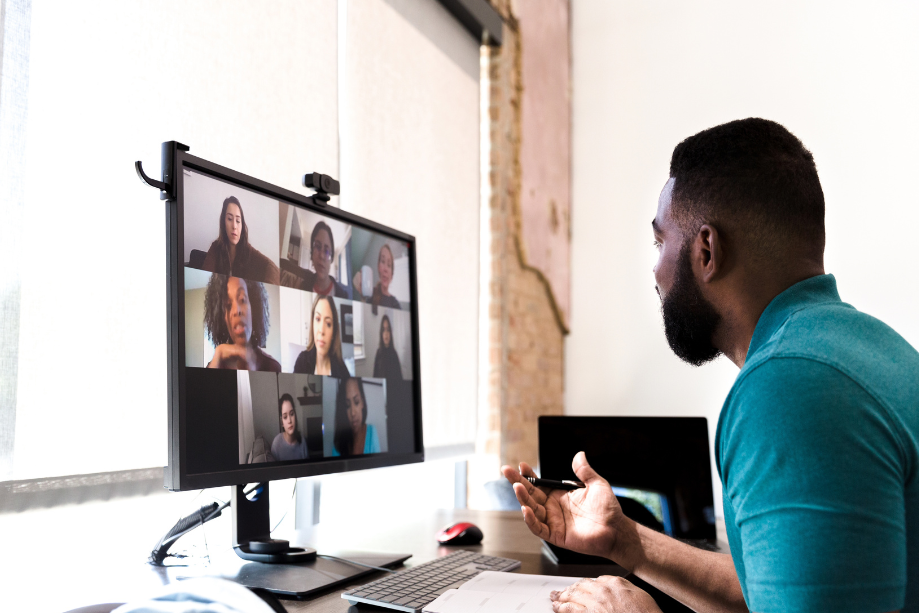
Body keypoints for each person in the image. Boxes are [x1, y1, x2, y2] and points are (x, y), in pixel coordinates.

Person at [503, 119, 918, 613]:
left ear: (705, 250)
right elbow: (775, 590)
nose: (656, 271)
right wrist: (625, 540)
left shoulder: (787, 389)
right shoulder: (867, 350)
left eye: (661, 243)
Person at [204, 274, 280, 372]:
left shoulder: (273, 367)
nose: (237, 311)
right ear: (222, 319)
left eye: (242, 300)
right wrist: (219, 353)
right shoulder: (215, 365)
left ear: (253, 306)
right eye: (228, 305)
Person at [201, 196, 280, 285]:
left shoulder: (248, 251)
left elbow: (273, 267)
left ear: (242, 225)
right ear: (223, 222)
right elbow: (205, 278)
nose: (234, 226)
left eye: (238, 221)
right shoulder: (216, 247)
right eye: (230, 219)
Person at [283, 221, 350, 298]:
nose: (321, 255)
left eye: (326, 251)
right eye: (318, 246)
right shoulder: (303, 287)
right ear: (312, 253)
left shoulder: (343, 295)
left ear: (331, 258)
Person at [293, 294, 350, 377]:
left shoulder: (341, 369)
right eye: (317, 319)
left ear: (333, 333)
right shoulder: (302, 361)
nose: (321, 330)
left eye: (328, 324)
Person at [331, 377, 380, 457]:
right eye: (347, 405)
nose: (353, 413)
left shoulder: (372, 433)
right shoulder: (338, 442)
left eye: (356, 402)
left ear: (362, 403)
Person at [354, 243, 401, 310]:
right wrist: (362, 297)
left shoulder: (395, 303)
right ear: (378, 267)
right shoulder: (370, 294)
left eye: (389, 265)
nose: (385, 269)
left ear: (392, 274)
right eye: (383, 261)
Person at [270, 393, 308, 461]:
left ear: (295, 416)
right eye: (285, 417)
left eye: (292, 414)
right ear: (282, 422)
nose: (289, 420)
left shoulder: (302, 440)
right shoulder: (276, 444)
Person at [372, 314, 403, 381]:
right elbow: (375, 376)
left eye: (388, 330)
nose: (386, 333)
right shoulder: (378, 353)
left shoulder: (394, 354)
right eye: (383, 330)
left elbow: (399, 378)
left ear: (390, 333)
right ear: (381, 333)